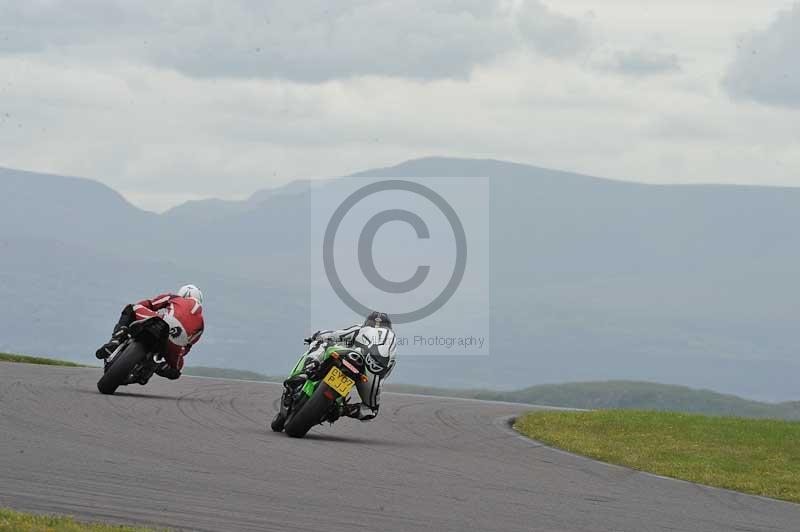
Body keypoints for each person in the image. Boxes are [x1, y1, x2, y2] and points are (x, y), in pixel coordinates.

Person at [279, 311, 397, 425]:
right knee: (371, 410)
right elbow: (387, 371)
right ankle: (340, 410)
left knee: (321, 343)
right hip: (372, 375)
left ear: (367, 322)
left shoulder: (361, 328)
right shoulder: (393, 341)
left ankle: (308, 370)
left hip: (353, 356)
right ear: (389, 327)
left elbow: (335, 335)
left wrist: (317, 336)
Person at [96, 285, 205, 380]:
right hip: (178, 340)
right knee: (175, 372)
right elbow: (187, 347)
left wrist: (141, 316)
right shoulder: (201, 323)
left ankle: (116, 340)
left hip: (164, 322)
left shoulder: (174, 298)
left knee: (131, 308)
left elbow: (149, 304)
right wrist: (173, 359)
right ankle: (156, 366)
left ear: (181, 293)